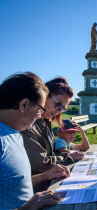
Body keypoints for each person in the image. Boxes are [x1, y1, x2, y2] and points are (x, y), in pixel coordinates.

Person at [0, 72, 70, 210]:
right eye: (39, 110)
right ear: (24, 105)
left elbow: (12, 184)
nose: (40, 117)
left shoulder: (15, 133)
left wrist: (45, 176)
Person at [20, 77, 84, 192]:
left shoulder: (45, 123)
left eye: (63, 108)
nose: (59, 111)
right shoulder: (28, 124)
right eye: (58, 105)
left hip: (47, 184)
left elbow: (51, 151)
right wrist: (69, 157)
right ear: (44, 96)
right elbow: (41, 164)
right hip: (33, 191)